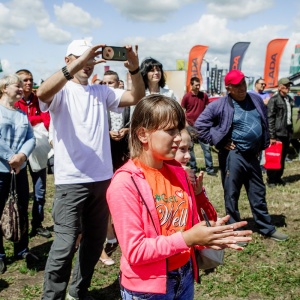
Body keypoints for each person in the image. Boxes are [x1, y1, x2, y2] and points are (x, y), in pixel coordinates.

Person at [107, 94, 252, 299]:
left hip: (184, 276)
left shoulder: (179, 173)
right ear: (143, 134)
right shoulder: (125, 184)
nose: (178, 137)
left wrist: (209, 236)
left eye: (179, 129)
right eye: (170, 130)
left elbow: (187, 226)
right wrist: (188, 238)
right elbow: (135, 251)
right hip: (148, 288)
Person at [37, 39, 145, 300]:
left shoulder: (101, 92)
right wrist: (79, 62)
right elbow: (42, 93)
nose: (87, 64)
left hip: (102, 179)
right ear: (68, 61)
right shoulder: (61, 91)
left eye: (90, 58)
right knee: (64, 246)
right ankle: (52, 297)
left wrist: (133, 68)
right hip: (70, 181)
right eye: (80, 58)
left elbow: (136, 97)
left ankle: (78, 292)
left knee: (94, 242)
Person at [195, 70, 289, 243]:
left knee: (258, 191)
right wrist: (220, 141)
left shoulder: (256, 100)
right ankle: (234, 231)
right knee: (232, 194)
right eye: (237, 85)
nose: (242, 88)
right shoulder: (220, 105)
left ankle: (266, 227)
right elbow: (200, 126)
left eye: (243, 83)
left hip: (253, 155)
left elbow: (264, 121)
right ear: (229, 88)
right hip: (233, 155)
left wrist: (262, 143)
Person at [0, 74, 36, 274]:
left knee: (21, 209)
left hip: (19, 171)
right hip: (1, 170)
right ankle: (0, 255)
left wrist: (22, 156)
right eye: (17, 85)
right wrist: (11, 157)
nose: (22, 88)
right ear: (5, 88)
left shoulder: (22, 113)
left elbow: (31, 137)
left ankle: (22, 249)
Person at [14, 69, 52, 239]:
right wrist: (34, 123)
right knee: (19, 193)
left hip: (38, 149)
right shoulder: (13, 103)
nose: (28, 83)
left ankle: (37, 224)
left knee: (40, 190)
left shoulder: (39, 100)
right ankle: (19, 227)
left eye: (30, 79)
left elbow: (47, 120)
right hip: (18, 153)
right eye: (24, 80)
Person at [100, 70, 130, 266]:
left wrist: (127, 129)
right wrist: (107, 132)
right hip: (106, 151)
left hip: (125, 149)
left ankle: (123, 227)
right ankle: (110, 232)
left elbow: (135, 121)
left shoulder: (127, 101)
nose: (109, 85)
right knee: (107, 191)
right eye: (105, 82)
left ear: (119, 83)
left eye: (112, 82)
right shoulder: (99, 103)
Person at [181, 77, 216, 176]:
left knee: (206, 148)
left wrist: (208, 122)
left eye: (199, 85)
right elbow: (182, 110)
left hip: (202, 127)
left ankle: (210, 169)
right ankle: (193, 168)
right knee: (190, 149)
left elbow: (207, 108)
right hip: (190, 126)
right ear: (191, 85)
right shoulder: (186, 97)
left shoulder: (203, 96)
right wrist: (186, 124)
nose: (198, 87)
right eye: (196, 85)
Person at [266, 77, 294, 187]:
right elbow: (270, 118)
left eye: (288, 85)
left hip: (286, 132)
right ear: (280, 87)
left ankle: (278, 177)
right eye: (285, 85)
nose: (287, 87)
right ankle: (271, 179)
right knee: (274, 156)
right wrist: (272, 135)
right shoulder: (274, 100)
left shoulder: (289, 99)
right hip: (277, 133)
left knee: (282, 157)